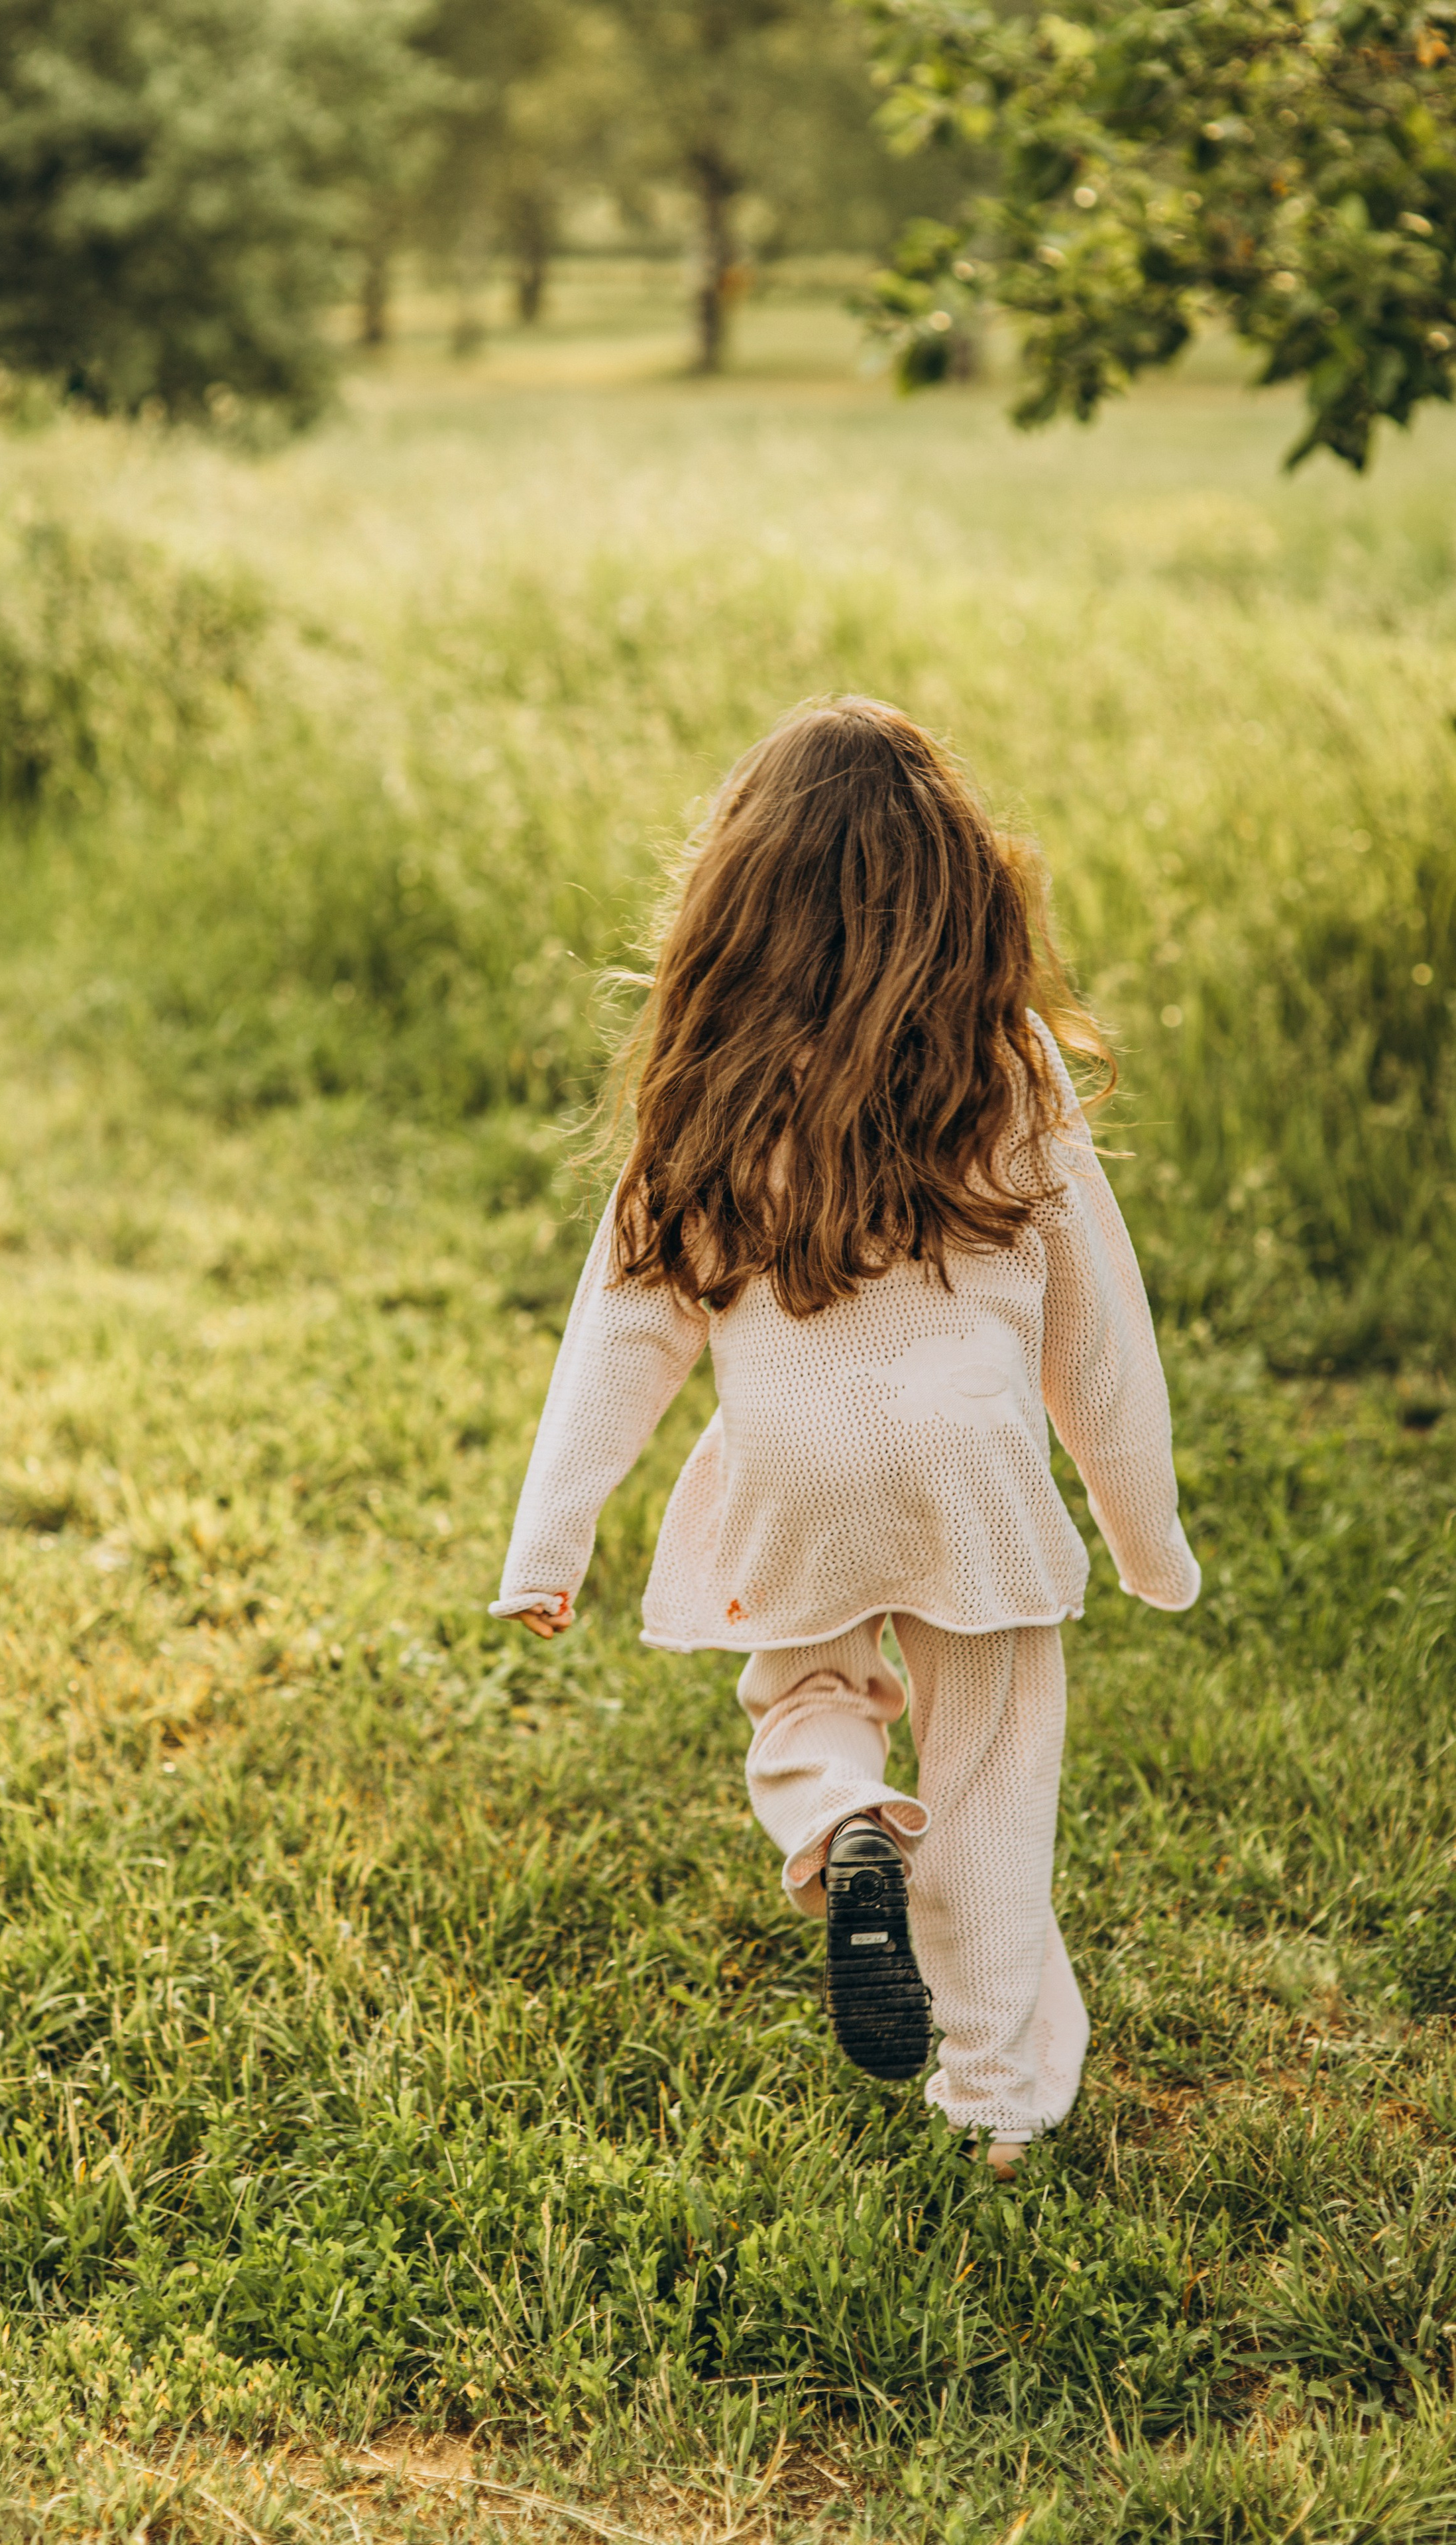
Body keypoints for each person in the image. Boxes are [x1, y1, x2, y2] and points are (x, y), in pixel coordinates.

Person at [489, 697, 1198, 2174]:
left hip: (795, 1462)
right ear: (961, 891)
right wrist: (1147, 1539)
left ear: (735, 898)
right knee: (992, 1781)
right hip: (976, 1465)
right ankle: (1000, 2102)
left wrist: (546, 1544)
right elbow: (1097, 1335)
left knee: (802, 1683)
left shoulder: (712, 1080)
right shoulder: (1006, 1066)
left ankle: (842, 1814)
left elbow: (621, 1328)